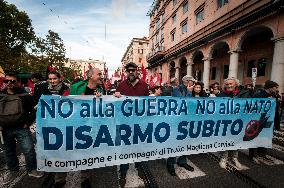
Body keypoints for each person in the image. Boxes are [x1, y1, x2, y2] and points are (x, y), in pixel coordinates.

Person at [0, 72, 44, 185]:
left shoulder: (25, 96)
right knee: (9, 151)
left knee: (29, 150)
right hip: (5, 129)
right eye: (6, 81)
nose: (9, 83)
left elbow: (34, 110)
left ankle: (31, 169)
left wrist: (28, 123)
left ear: (18, 82)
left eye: (12, 81)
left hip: (22, 128)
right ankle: (13, 170)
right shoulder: (0, 95)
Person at [114, 62, 149, 187]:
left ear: (137, 71)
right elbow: (116, 105)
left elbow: (147, 104)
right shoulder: (121, 85)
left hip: (140, 123)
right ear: (126, 72)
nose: (130, 72)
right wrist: (115, 97)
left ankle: (139, 168)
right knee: (124, 148)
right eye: (128, 70)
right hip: (125, 124)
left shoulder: (144, 85)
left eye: (133, 70)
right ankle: (123, 172)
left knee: (139, 146)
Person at [68, 67, 105, 188]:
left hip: (93, 127)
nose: (102, 76)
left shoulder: (101, 89)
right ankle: (59, 178)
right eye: (99, 74)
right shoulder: (76, 88)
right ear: (91, 76)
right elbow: (63, 102)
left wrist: (107, 98)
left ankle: (85, 178)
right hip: (77, 126)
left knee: (87, 153)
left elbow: (105, 108)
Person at [34, 71, 70, 188]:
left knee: (61, 151)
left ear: (60, 79)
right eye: (50, 79)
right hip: (47, 125)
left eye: (54, 79)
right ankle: (50, 173)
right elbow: (35, 101)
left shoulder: (66, 89)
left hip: (62, 125)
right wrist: (36, 106)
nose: (52, 81)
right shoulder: (42, 88)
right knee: (49, 151)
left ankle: (60, 180)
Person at [218, 77, 251, 169]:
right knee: (225, 140)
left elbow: (250, 105)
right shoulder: (221, 95)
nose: (229, 85)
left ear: (235, 84)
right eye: (227, 84)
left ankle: (234, 158)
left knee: (236, 140)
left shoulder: (243, 93)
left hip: (238, 122)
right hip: (225, 122)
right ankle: (223, 158)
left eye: (230, 84)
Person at [166, 75, 195, 176]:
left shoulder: (191, 89)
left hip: (188, 120)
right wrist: (189, 92)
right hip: (177, 121)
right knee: (175, 142)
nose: (193, 83)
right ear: (187, 82)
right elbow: (184, 103)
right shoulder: (177, 89)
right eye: (192, 81)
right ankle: (170, 163)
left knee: (186, 142)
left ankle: (182, 161)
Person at [249, 80, 280, 164]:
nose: (277, 89)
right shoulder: (258, 95)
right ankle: (252, 155)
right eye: (275, 87)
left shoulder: (274, 95)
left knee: (266, 137)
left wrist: (277, 123)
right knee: (255, 137)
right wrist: (265, 101)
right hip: (258, 120)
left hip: (269, 120)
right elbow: (252, 106)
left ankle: (262, 154)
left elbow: (276, 110)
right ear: (270, 87)